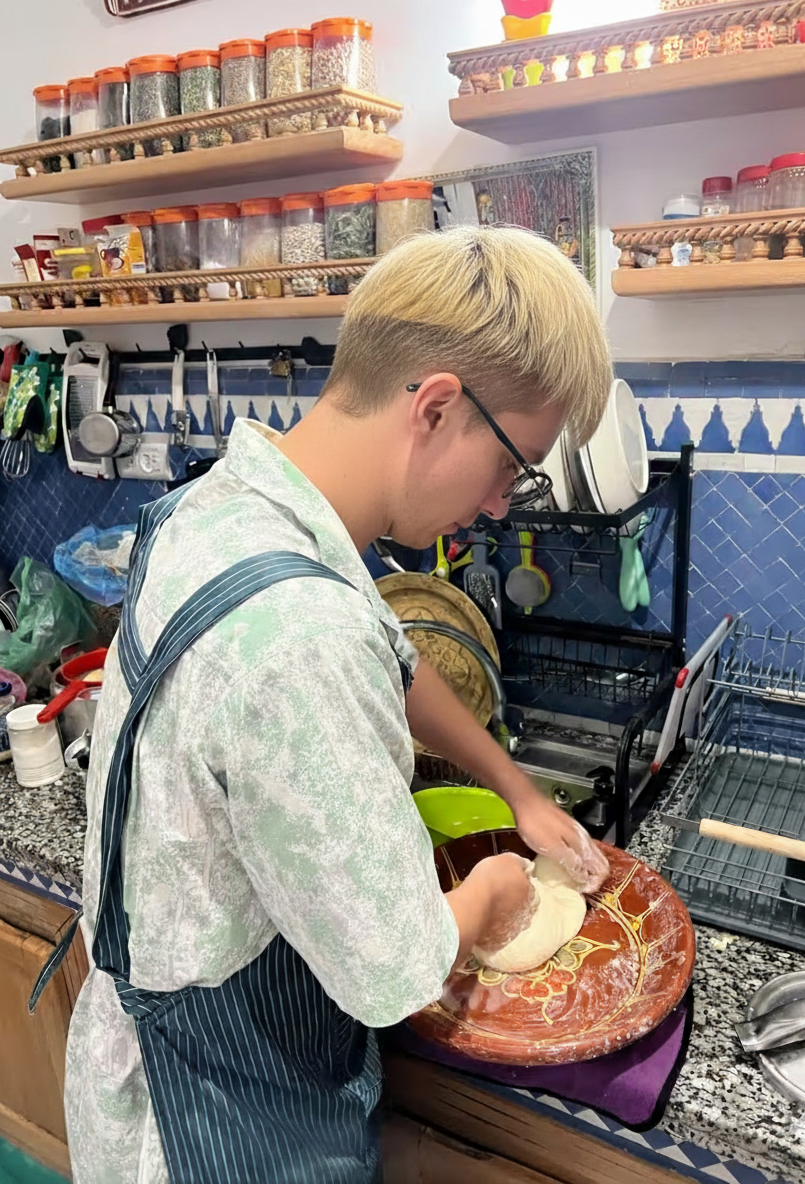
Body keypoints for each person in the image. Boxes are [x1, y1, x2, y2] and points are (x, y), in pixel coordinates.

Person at [61, 225, 613, 1183]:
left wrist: (516, 790)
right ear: (437, 407)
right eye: (511, 468)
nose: (496, 508)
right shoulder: (300, 634)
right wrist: (494, 896)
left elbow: (395, 665)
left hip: (148, 1054)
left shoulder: (238, 500)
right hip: (212, 1122)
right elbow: (394, 971)